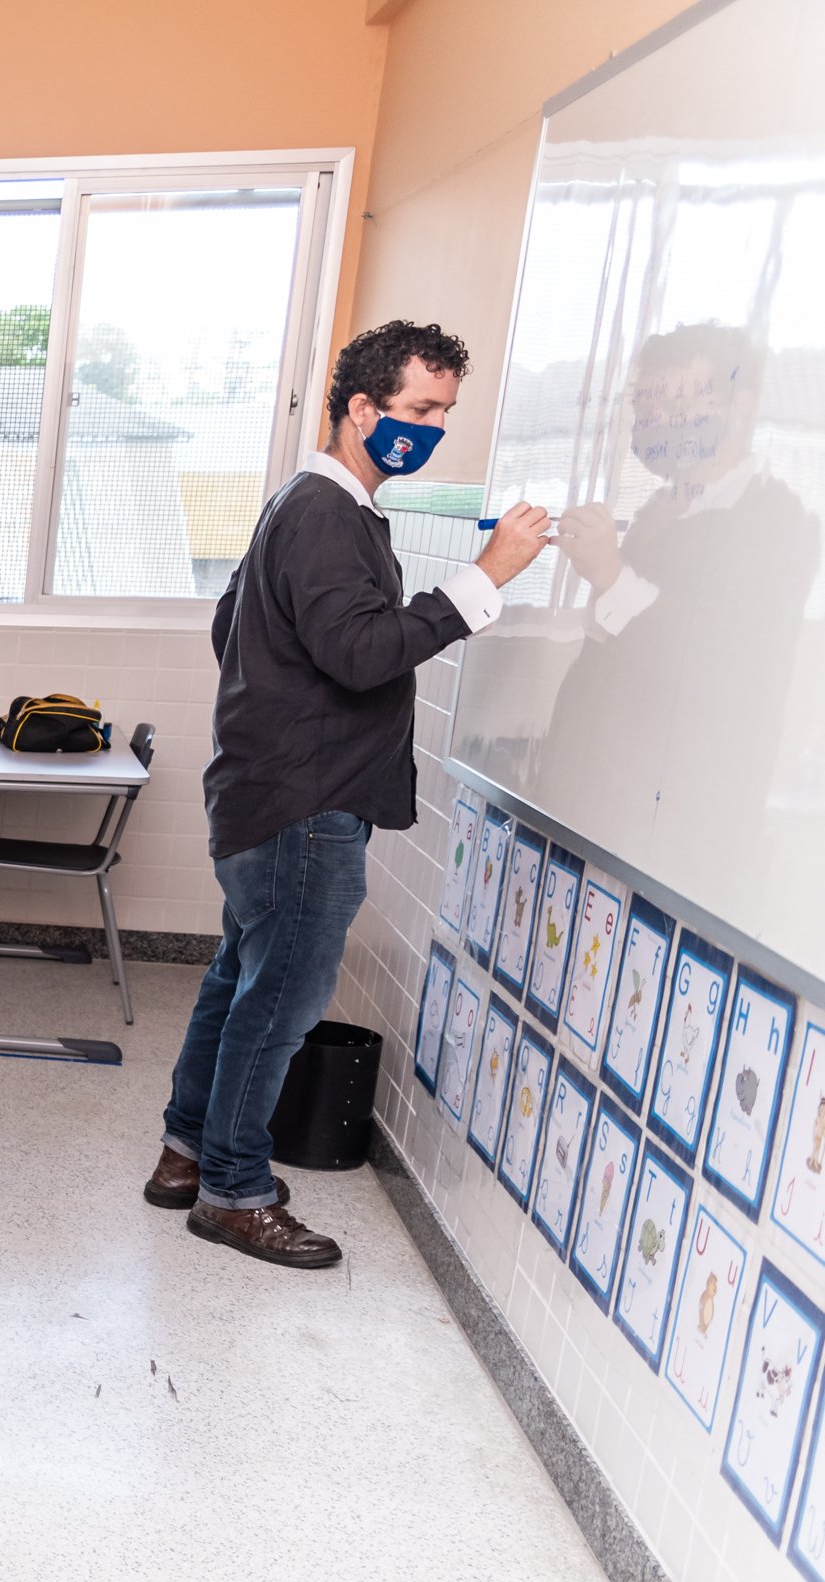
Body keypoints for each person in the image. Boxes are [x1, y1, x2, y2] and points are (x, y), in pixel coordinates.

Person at [153, 320, 552, 1267]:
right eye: (420, 408)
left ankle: (186, 1153)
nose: (433, 427)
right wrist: (486, 580)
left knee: (239, 978)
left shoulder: (305, 501)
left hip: (264, 791)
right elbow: (363, 654)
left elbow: (232, 626)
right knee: (281, 998)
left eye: (445, 412)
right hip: (304, 805)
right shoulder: (331, 513)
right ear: (363, 409)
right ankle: (232, 1191)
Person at [540, 322, 819, 913]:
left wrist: (612, 575)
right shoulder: (661, 509)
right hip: (598, 815)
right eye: (647, 402)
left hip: (675, 841)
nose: (657, 420)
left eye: (678, 398)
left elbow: (721, 664)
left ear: (739, 407)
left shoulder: (775, 520)